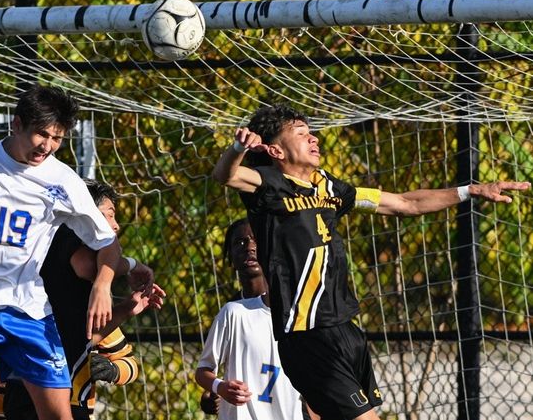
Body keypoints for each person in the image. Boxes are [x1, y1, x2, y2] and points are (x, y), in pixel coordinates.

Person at [212, 103, 531, 420]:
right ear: (276, 151)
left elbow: (406, 203)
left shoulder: (331, 188)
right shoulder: (266, 186)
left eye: (311, 133)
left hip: (345, 330)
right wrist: (238, 147)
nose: (314, 139)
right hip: (307, 335)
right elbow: (225, 175)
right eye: (301, 134)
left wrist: (471, 190)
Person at [0, 85, 148, 420]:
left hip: (29, 310)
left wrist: (103, 285)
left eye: (57, 138)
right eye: (41, 134)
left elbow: (107, 243)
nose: (47, 146)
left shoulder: (62, 179)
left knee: (60, 415)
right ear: (17, 124)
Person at [1, 179, 165, 420]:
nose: (116, 225)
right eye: (109, 215)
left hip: (50, 388)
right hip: (38, 387)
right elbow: (88, 265)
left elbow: (82, 337)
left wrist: (127, 308)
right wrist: (122, 270)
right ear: (87, 213)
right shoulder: (63, 235)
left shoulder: (74, 290)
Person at [196, 219, 304, 420]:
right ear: (230, 257)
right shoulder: (233, 312)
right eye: (240, 242)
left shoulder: (297, 309)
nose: (250, 247)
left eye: (256, 240)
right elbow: (210, 372)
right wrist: (215, 391)